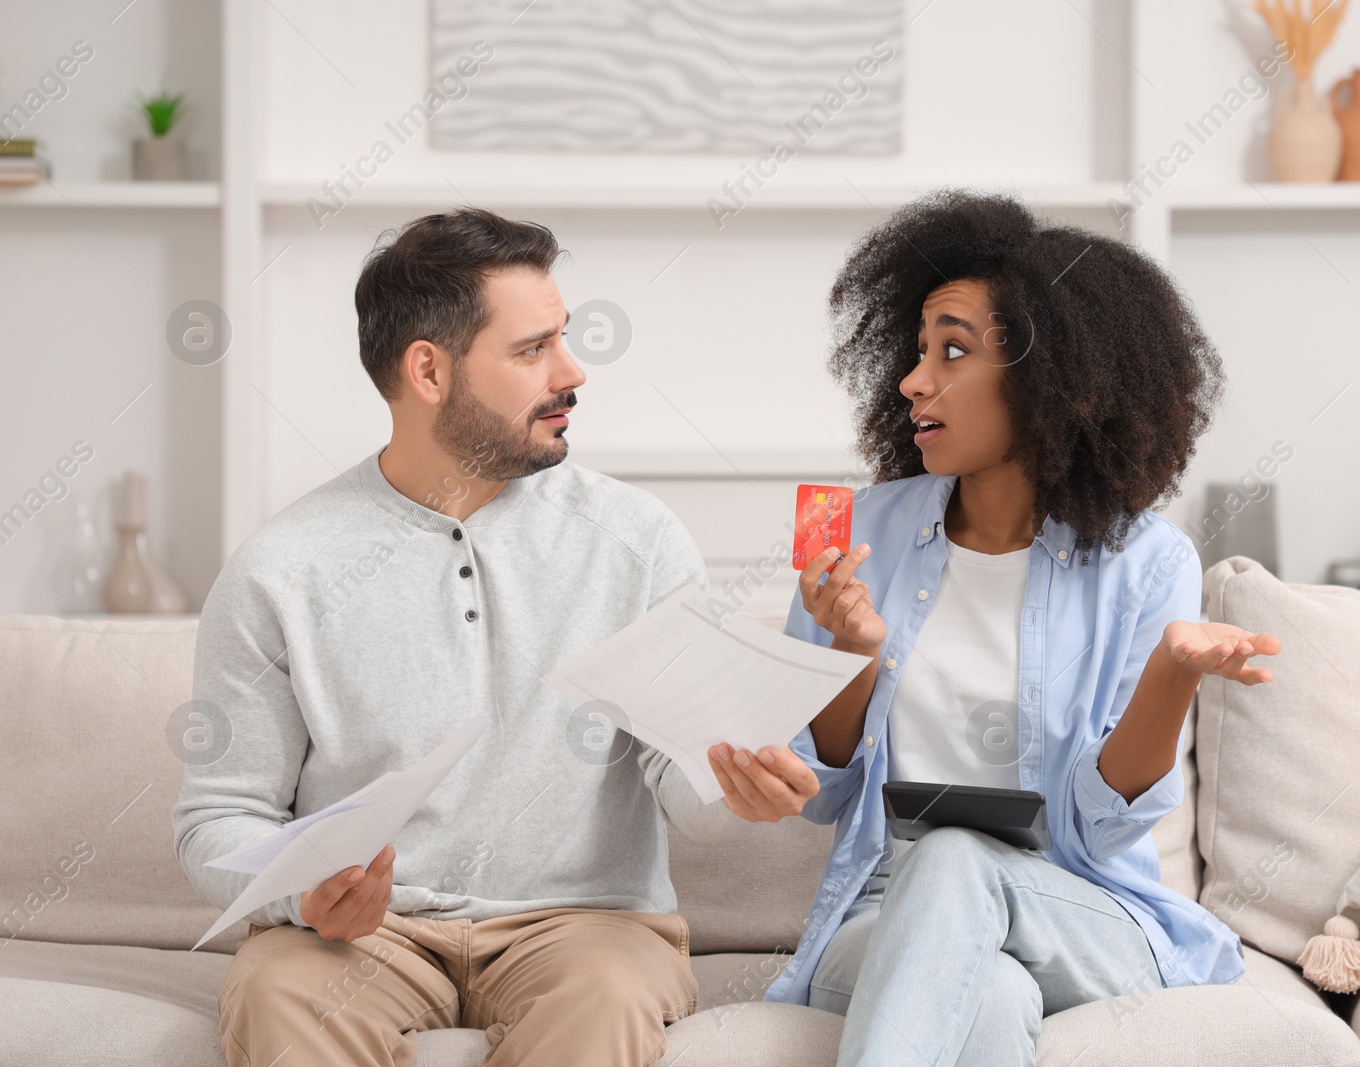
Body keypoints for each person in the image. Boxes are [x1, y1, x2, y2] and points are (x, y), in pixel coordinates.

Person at [709, 190, 1281, 1067]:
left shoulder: (1148, 560)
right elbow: (821, 794)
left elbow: (1105, 831)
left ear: (1054, 377)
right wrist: (855, 649)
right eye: (916, 349)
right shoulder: (853, 529)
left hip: (1078, 910)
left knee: (957, 861)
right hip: (885, 908)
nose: (912, 379)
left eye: (952, 350)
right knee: (987, 987)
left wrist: (1173, 674)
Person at [173, 208, 744, 1067]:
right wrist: (305, 890)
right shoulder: (279, 569)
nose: (572, 370)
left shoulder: (636, 539)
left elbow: (688, 782)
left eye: (564, 339)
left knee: (606, 999)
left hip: (588, 927)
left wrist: (739, 780)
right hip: (368, 936)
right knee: (276, 990)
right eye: (532, 349)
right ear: (429, 371)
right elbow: (217, 818)